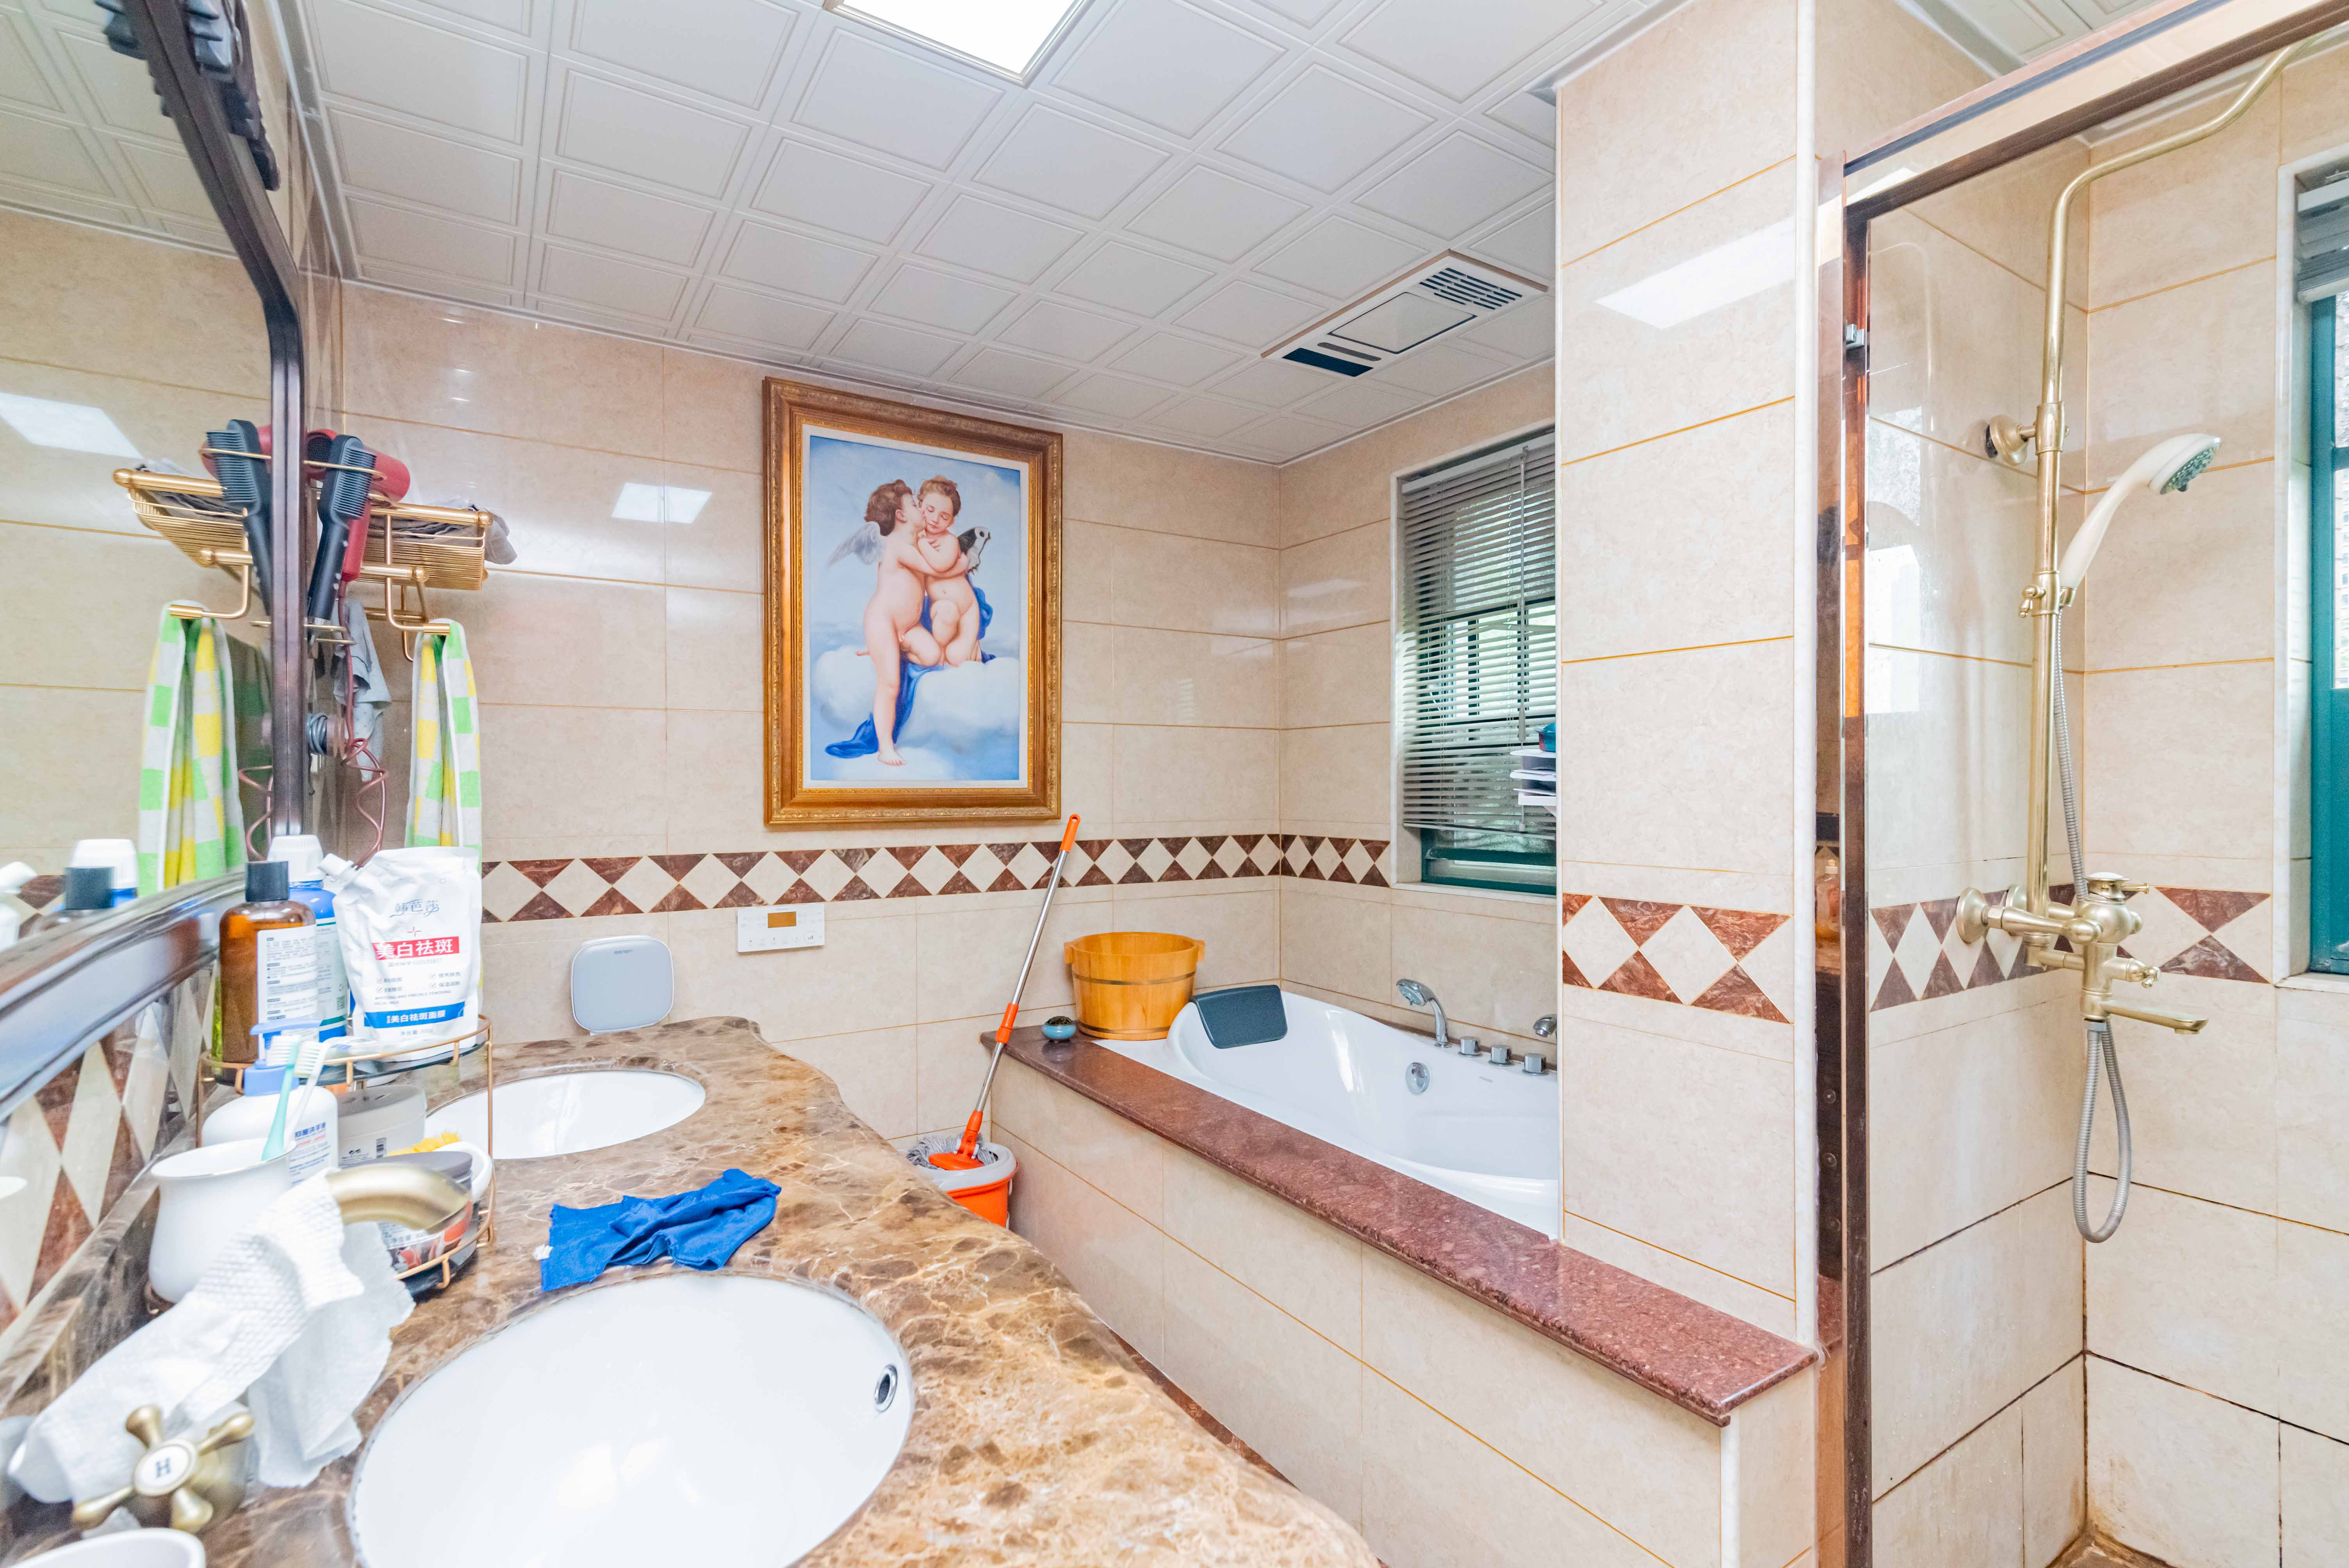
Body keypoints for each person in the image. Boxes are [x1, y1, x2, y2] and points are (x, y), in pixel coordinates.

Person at [909, 476, 984, 666]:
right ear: (920, 506)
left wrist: (923, 544)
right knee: (946, 611)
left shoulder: (949, 541)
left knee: (958, 658)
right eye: (930, 510)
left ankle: (970, 645)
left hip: (967, 611)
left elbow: (941, 565)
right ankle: (940, 650)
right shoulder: (912, 539)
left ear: (952, 521)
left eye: (944, 516)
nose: (935, 520)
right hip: (942, 610)